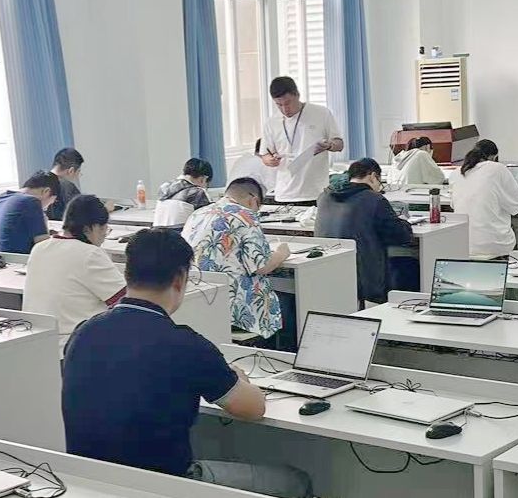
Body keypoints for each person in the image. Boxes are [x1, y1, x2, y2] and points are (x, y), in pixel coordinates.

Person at [62, 229, 311, 497]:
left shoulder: (83, 332)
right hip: (164, 486)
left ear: (126, 275)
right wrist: (238, 378)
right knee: (296, 482)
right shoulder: (185, 344)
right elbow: (254, 408)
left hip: (90, 482)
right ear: (180, 279)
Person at [182, 178, 290, 346]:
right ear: (253, 200)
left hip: (200, 301)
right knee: (288, 304)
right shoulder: (245, 215)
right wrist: (281, 253)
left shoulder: (197, 214)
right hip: (234, 309)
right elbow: (262, 266)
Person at [24, 195, 126, 350]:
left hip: (39, 344)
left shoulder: (39, 248)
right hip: (75, 345)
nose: (105, 235)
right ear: (89, 228)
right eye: (104, 228)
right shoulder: (89, 254)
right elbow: (125, 300)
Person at [315, 158, 415, 304]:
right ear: (373, 176)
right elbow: (401, 236)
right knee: (407, 264)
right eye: (380, 182)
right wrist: (404, 222)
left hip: (326, 268)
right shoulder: (374, 199)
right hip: (365, 273)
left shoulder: (324, 196)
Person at [260, 76, 343, 205]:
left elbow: (339, 144)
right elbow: (265, 155)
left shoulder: (321, 113)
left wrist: (329, 145)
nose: (284, 109)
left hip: (316, 192)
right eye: (279, 105)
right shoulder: (271, 122)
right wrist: (270, 160)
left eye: (288, 103)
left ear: (297, 95)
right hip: (284, 194)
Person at [450, 140, 518, 257]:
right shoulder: (498, 169)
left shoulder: (457, 172)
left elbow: (453, 204)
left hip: (464, 245)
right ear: (493, 157)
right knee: (514, 229)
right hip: (494, 246)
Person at [0, 171, 60, 254]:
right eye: (50, 202)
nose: (47, 208)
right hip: (20, 259)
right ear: (46, 191)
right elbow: (43, 247)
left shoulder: (3, 197)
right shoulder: (31, 201)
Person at [46, 148, 85, 221]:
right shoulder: (68, 186)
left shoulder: (36, 180)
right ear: (71, 171)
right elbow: (83, 215)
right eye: (78, 172)